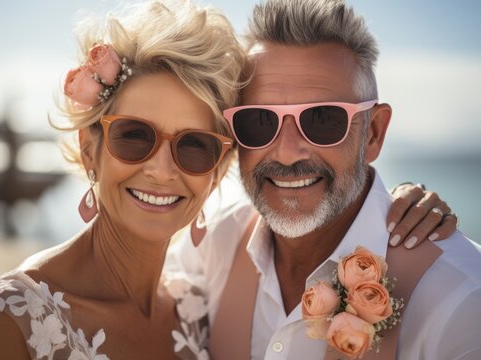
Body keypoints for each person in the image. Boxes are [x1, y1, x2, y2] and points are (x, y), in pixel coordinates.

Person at [0, 0, 459, 359]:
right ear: (89, 148)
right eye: (133, 136)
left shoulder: (194, 296)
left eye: (195, 146)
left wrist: (391, 198)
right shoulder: (2, 324)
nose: (162, 169)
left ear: (217, 170)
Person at [163, 0, 480, 359]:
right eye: (259, 122)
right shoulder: (213, 246)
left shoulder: (463, 301)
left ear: (373, 133)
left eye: (323, 120)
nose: (286, 152)